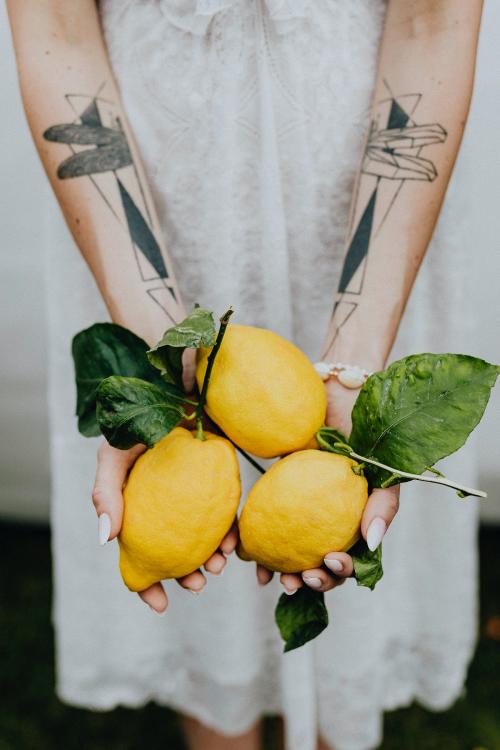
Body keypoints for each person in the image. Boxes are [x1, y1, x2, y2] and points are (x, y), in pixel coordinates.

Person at [7, 1, 484, 749]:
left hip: (361, 158)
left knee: (335, 516)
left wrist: (356, 366)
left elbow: (433, 21)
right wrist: (157, 358)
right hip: (153, 160)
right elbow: (54, 25)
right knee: (187, 502)